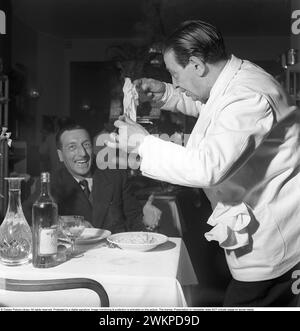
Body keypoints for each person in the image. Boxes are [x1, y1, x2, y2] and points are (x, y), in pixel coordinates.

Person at [107, 20, 300, 307]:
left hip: (275, 245)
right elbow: (214, 109)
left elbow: (205, 168)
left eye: (174, 74)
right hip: (264, 236)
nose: (174, 82)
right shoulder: (236, 80)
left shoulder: (247, 95)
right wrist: (167, 95)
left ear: (197, 65)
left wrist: (142, 143)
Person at [24, 123, 161, 234]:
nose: (82, 153)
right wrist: (67, 222)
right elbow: (27, 218)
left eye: (86, 145)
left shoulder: (116, 177)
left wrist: (146, 222)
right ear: (60, 155)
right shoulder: (51, 184)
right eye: (72, 147)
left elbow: (134, 222)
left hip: (115, 260)